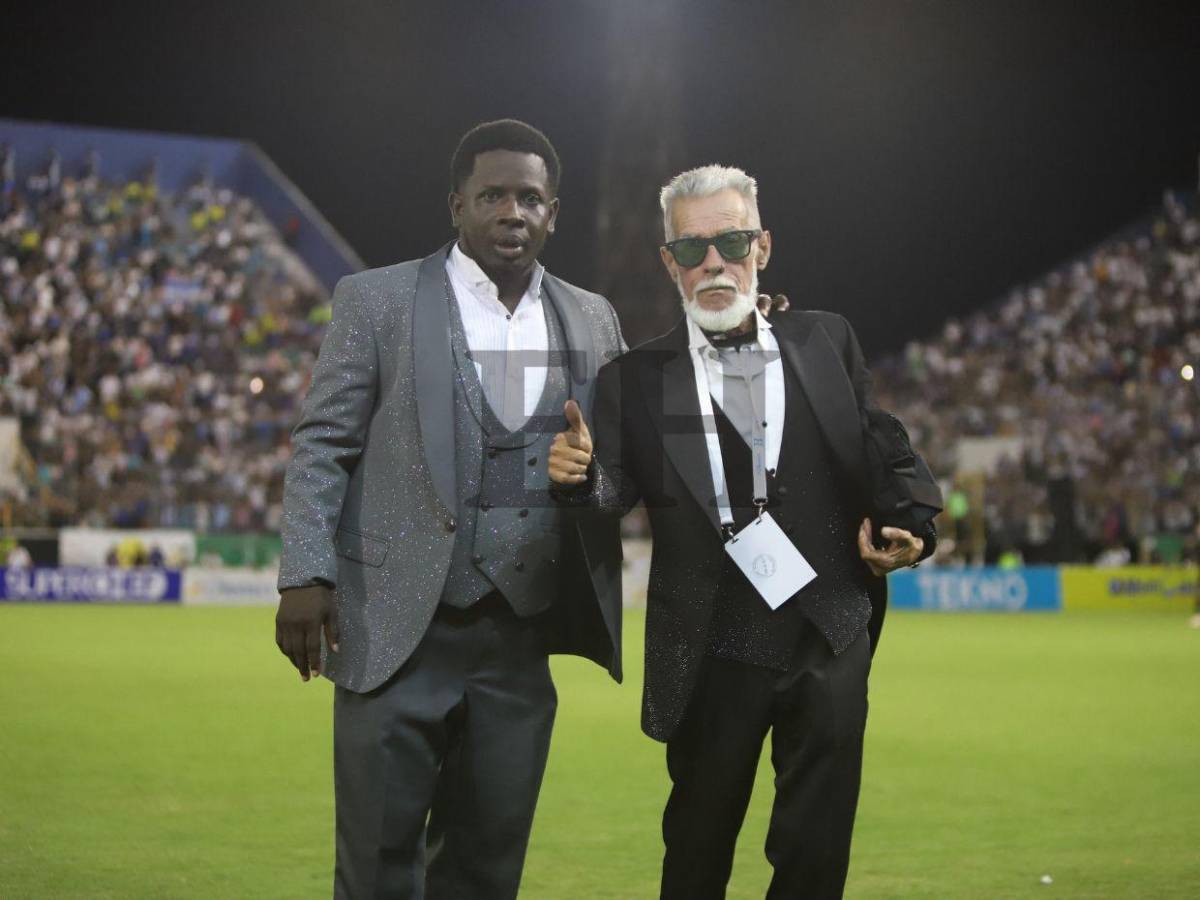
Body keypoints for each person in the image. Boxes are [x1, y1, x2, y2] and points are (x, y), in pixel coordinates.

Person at [549, 165, 936, 899]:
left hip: (830, 632)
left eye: (730, 241)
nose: (713, 263)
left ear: (761, 246)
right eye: (692, 249)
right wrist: (575, 477)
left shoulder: (828, 339)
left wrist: (910, 522)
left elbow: (882, 447)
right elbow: (609, 494)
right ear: (670, 263)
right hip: (708, 646)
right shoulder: (635, 379)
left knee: (816, 854)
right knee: (695, 851)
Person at [273, 119, 627, 899]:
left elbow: (618, 476)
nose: (513, 212)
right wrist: (305, 572)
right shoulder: (377, 299)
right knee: (375, 867)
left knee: (487, 871)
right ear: (457, 205)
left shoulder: (594, 319)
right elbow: (322, 442)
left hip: (519, 639)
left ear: (554, 213)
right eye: (493, 195)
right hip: (395, 629)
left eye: (530, 198)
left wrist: (585, 479)